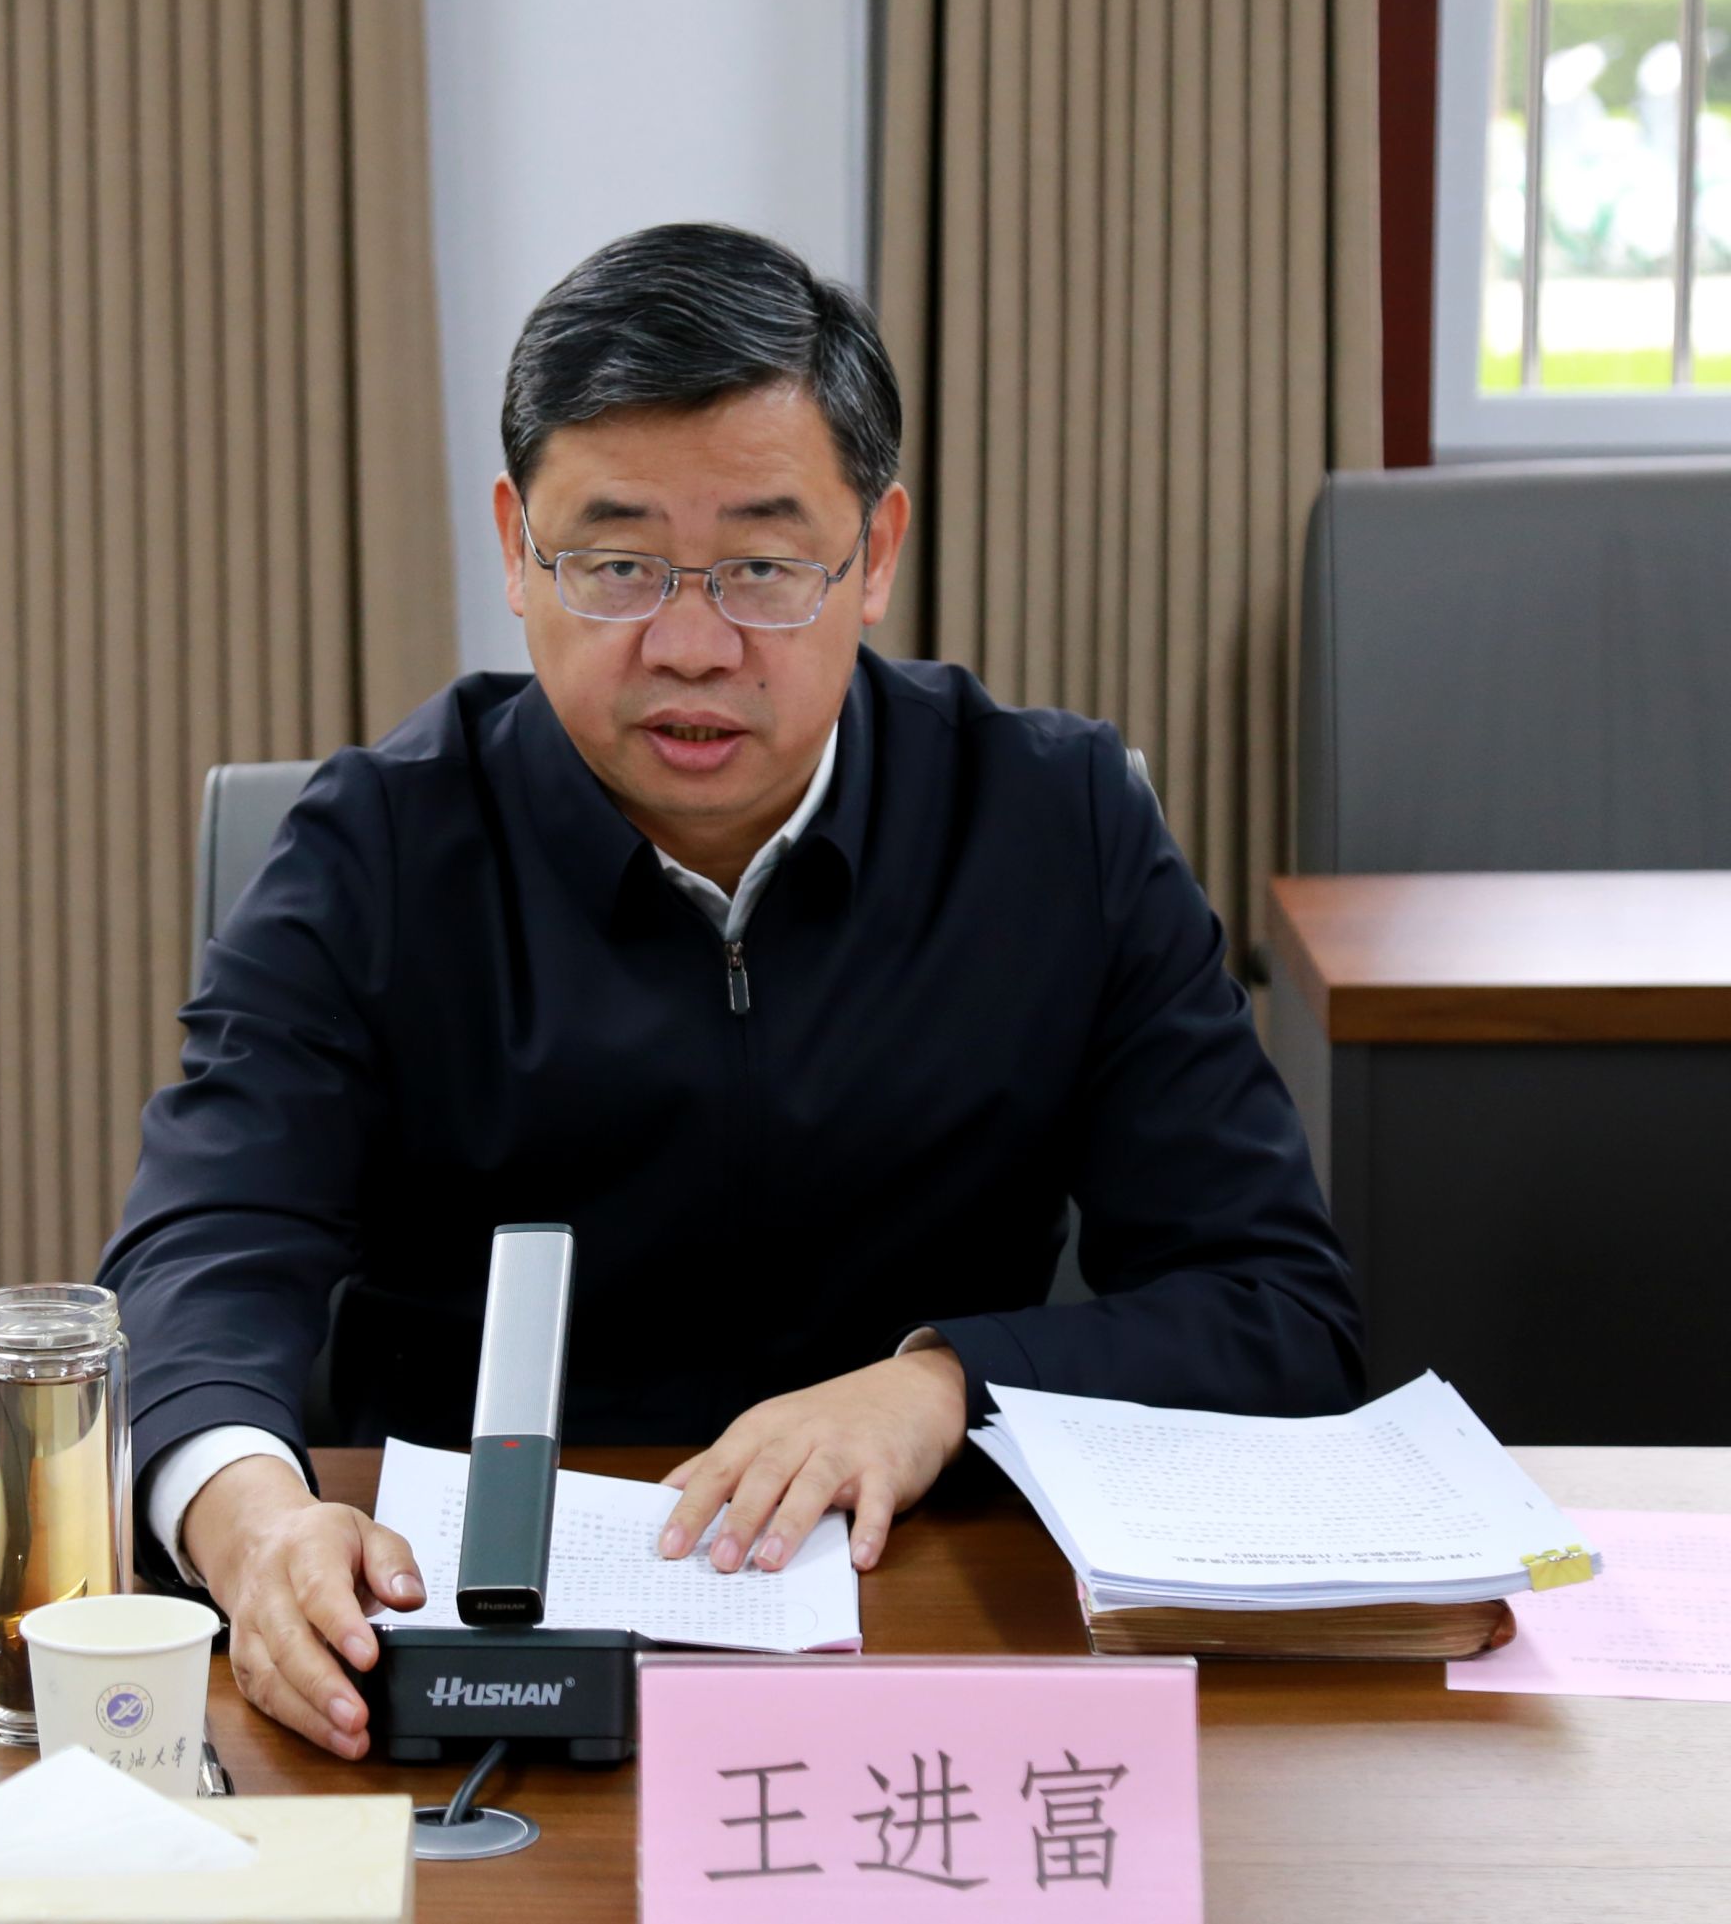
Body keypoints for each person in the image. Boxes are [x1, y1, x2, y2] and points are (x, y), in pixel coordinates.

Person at [98, 221, 1363, 1760]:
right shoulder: (377, 846)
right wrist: (249, 1521)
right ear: (515, 548)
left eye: (763, 567)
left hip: (929, 1664)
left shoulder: (1057, 826)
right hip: (452, 1671)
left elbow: (1278, 1307)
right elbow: (204, 1248)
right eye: (616, 563)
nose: (691, 645)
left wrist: (945, 1386)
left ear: (874, 555)